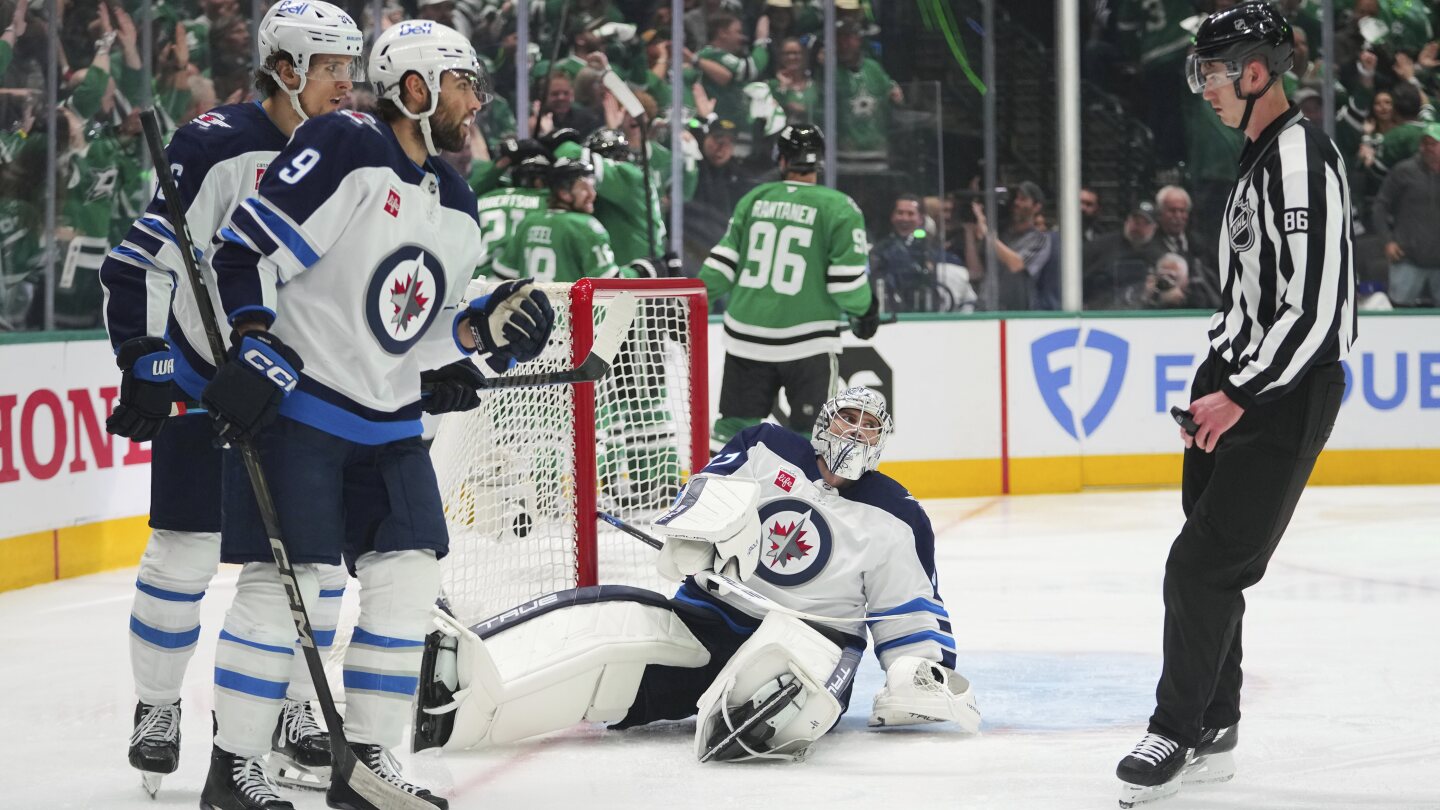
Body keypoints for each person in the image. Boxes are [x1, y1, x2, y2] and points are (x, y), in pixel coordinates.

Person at [199, 20, 553, 810]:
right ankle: (234, 770)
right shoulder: (347, 142)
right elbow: (244, 248)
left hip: (390, 421)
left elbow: (424, 325)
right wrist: (253, 336)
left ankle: (362, 762)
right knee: (290, 584)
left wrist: (480, 333)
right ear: (418, 87)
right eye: (462, 84)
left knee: (408, 575)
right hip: (305, 406)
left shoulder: (458, 201)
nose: (475, 102)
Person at [96, 0, 363, 795]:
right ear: (285, 70)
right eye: (331, 71)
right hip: (205, 379)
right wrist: (143, 353)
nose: (347, 87)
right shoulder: (218, 146)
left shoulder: (354, 153)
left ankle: (284, 710)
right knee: (181, 556)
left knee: (314, 569)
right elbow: (143, 259)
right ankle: (156, 706)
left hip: (307, 395)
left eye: (353, 70)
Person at [412, 387, 980, 759]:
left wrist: (914, 669)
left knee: (776, 692)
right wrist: (699, 539)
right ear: (823, 420)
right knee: (616, 628)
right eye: (847, 418)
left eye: (869, 426)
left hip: (812, 644)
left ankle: (748, 723)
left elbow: (908, 613)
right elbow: (708, 497)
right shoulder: (765, 447)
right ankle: (456, 695)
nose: (855, 433)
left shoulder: (899, 517)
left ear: (882, 442)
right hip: (715, 617)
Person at [1116, 5, 1356, 807]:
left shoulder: (1302, 160)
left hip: (1279, 394)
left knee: (1202, 566)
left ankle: (1174, 729)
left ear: (1257, 72)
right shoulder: (1259, 156)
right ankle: (1216, 721)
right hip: (1236, 381)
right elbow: (1254, 295)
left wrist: (1242, 393)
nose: (1204, 87)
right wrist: (1215, 377)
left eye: (1213, 73)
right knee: (1208, 561)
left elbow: (1316, 311)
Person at [700, 124, 880, 449]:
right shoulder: (840, 206)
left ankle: (712, 497)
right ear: (819, 163)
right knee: (813, 438)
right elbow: (845, 285)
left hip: (746, 340)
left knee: (732, 434)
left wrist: (685, 303)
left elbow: (720, 269)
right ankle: (800, 501)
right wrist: (865, 310)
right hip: (808, 344)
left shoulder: (754, 200)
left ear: (781, 160)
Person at [494, 157, 662, 282]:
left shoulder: (529, 222)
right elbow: (610, 283)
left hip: (533, 323)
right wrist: (642, 270)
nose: (593, 194)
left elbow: (503, 273)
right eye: (584, 188)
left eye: (593, 186)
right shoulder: (586, 226)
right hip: (570, 323)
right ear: (564, 193)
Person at [1371, 122, 1440, 306]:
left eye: (1433, 144)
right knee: (1399, 313)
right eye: (1425, 143)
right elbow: (1380, 206)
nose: (1427, 148)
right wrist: (1387, 241)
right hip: (1407, 258)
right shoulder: (1404, 170)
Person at [964, 181, 1051, 311]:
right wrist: (969, 232)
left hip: (1015, 313)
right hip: (984, 307)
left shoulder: (1039, 239)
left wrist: (986, 233)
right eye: (1015, 198)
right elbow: (976, 271)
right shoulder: (1001, 233)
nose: (1016, 203)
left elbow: (1016, 264)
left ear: (1036, 207)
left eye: (1023, 199)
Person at [474, 140, 552, 278]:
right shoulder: (545, 202)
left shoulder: (483, 197)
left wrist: (503, 162)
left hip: (473, 280)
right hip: (512, 281)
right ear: (539, 182)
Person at [1082, 201, 1166, 310]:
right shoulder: (1100, 247)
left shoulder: (1159, 254)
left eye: (1145, 223)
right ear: (1127, 221)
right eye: (1135, 221)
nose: (1138, 227)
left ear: (1154, 227)